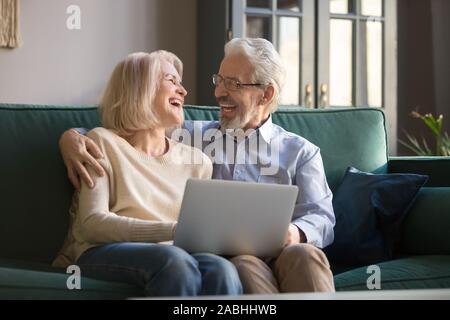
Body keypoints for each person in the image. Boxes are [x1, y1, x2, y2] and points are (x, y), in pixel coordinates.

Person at [59, 38, 336, 294]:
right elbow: (132, 128)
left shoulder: (301, 152)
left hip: (285, 249)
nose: (219, 92)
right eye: (219, 80)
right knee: (242, 265)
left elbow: (322, 217)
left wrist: (295, 232)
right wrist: (69, 138)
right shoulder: (192, 137)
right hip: (234, 255)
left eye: (233, 84)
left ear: (266, 95)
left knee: (306, 255)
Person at [53, 51, 242, 297]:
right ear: (141, 88)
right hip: (100, 251)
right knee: (174, 262)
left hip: (173, 253)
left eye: (180, 83)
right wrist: (172, 230)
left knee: (223, 270)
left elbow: (196, 233)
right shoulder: (101, 143)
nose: (183, 91)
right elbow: (91, 224)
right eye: (171, 81)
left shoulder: (198, 162)